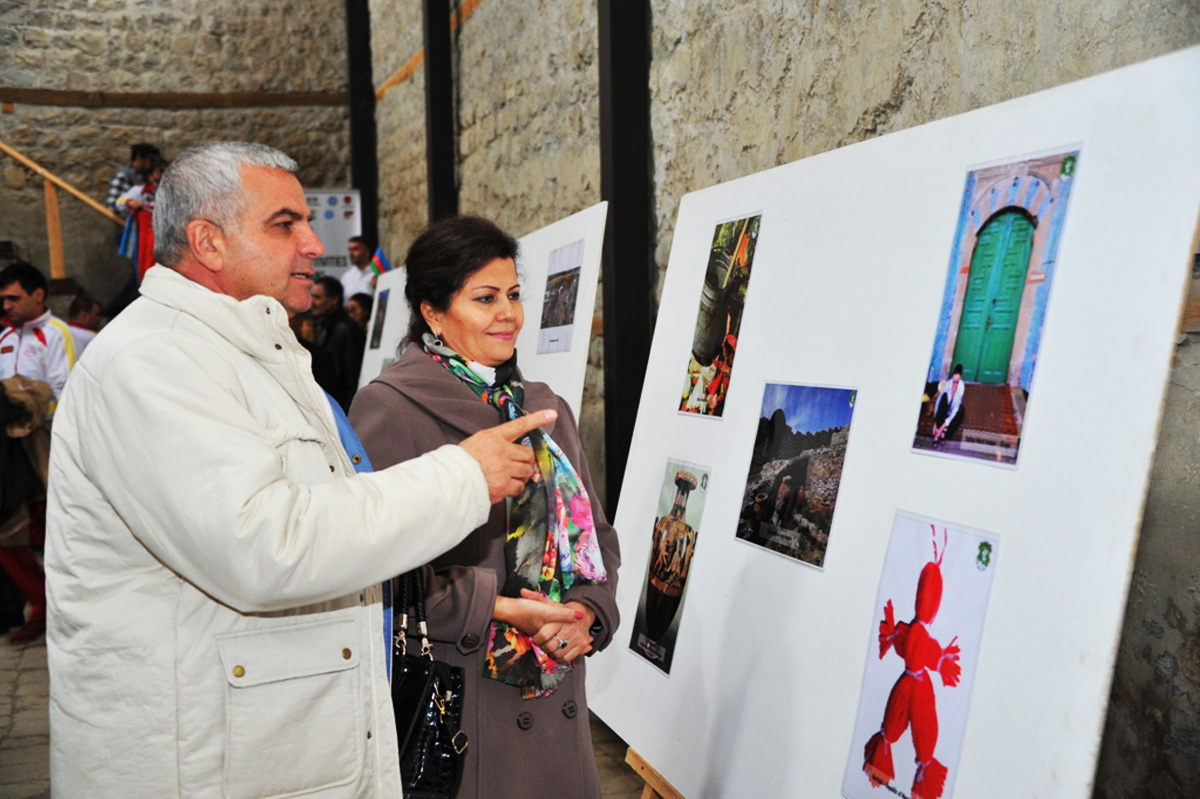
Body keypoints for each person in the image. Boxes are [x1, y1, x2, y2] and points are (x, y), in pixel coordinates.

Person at [44, 142, 557, 798]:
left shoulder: (256, 352)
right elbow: (265, 543)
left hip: (270, 751)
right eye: (285, 224)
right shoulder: (155, 360)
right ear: (207, 240)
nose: (315, 244)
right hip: (201, 766)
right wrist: (461, 476)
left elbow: (332, 521)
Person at [349, 215, 620, 799]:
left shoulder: (545, 409)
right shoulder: (389, 409)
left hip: (557, 692)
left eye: (515, 295)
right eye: (485, 298)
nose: (508, 313)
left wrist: (589, 613)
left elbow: (595, 538)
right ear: (432, 312)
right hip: (462, 700)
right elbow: (379, 575)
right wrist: (499, 610)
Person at [0, 261, 75, 644]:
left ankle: (59, 608)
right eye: (3, 299)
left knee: (53, 527)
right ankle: (39, 604)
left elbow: (64, 392)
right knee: (9, 532)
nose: (7, 305)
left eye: (13, 298)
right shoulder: (5, 338)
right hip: (8, 446)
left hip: (44, 442)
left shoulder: (56, 333)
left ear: (38, 295)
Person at [310, 276, 365, 410]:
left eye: (317, 297)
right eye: (312, 296)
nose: (312, 302)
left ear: (334, 300)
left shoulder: (345, 329)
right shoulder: (320, 325)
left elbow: (353, 376)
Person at [105, 142, 161, 219]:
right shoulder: (122, 176)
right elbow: (112, 205)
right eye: (151, 160)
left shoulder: (147, 177)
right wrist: (129, 205)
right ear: (139, 158)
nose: (153, 164)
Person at [930, 363, 965, 447]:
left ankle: (944, 433)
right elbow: (939, 402)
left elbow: (955, 408)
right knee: (943, 397)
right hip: (944, 410)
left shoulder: (961, 387)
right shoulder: (948, 384)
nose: (954, 385)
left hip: (952, 412)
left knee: (961, 410)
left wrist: (942, 427)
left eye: (957, 382)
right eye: (954, 382)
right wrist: (935, 422)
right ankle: (937, 436)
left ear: (960, 379)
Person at [341, 235, 376, 300]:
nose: (350, 254)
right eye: (349, 250)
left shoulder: (377, 274)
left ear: (367, 252)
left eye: (355, 249)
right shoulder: (346, 277)